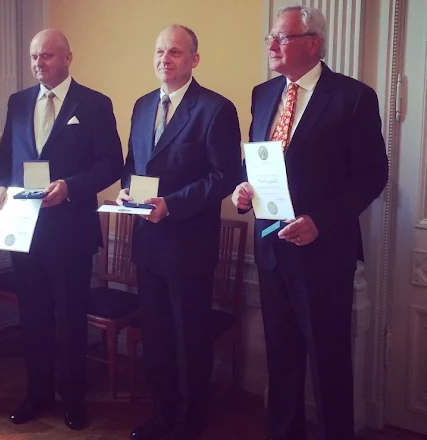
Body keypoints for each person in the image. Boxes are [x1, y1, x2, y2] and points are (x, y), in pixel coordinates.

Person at [231, 6, 388, 440]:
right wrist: (244, 191)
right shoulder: (263, 94)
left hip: (322, 253)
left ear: (312, 43)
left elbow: (373, 174)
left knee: (328, 359)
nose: (272, 45)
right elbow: (259, 162)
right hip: (271, 248)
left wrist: (320, 220)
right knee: (280, 358)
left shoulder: (353, 96)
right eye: (271, 38)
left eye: (281, 37)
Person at [0, 29, 123, 430]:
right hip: (24, 231)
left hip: (70, 234)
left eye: (46, 56)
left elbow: (110, 164)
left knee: (69, 319)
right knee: (33, 318)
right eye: (34, 57)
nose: (38, 63)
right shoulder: (18, 102)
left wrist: (70, 187)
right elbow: (6, 159)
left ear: (68, 57)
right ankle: (38, 392)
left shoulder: (95, 104)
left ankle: (73, 399)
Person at [117, 25, 242, 440]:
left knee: (189, 339)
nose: (163, 60)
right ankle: (163, 412)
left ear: (194, 60)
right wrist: (127, 192)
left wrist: (172, 204)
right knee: (156, 337)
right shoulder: (140, 105)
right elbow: (134, 163)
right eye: (158, 52)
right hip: (147, 244)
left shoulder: (215, 109)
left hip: (188, 245)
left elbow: (224, 176)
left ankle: (190, 422)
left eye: (174, 52)